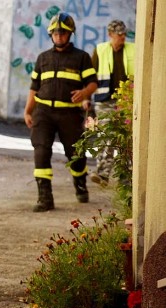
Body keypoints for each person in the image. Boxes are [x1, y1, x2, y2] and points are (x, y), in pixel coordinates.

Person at [23, 12, 98, 212]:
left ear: (70, 34)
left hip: (70, 115)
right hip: (43, 113)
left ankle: (80, 184)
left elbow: (92, 83)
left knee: (76, 154)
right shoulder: (43, 58)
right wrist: (28, 111)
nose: (59, 36)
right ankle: (44, 198)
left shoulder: (81, 57)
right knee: (41, 150)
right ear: (51, 35)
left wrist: (84, 93)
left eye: (63, 33)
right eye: (55, 33)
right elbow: (34, 87)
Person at [88, 19, 135, 186]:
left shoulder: (133, 49)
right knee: (107, 135)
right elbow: (91, 77)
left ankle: (125, 177)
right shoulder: (100, 50)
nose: (122, 37)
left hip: (127, 101)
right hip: (104, 99)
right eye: (118, 34)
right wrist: (87, 98)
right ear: (110, 35)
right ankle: (102, 173)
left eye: (124, 34)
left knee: (125, 138)